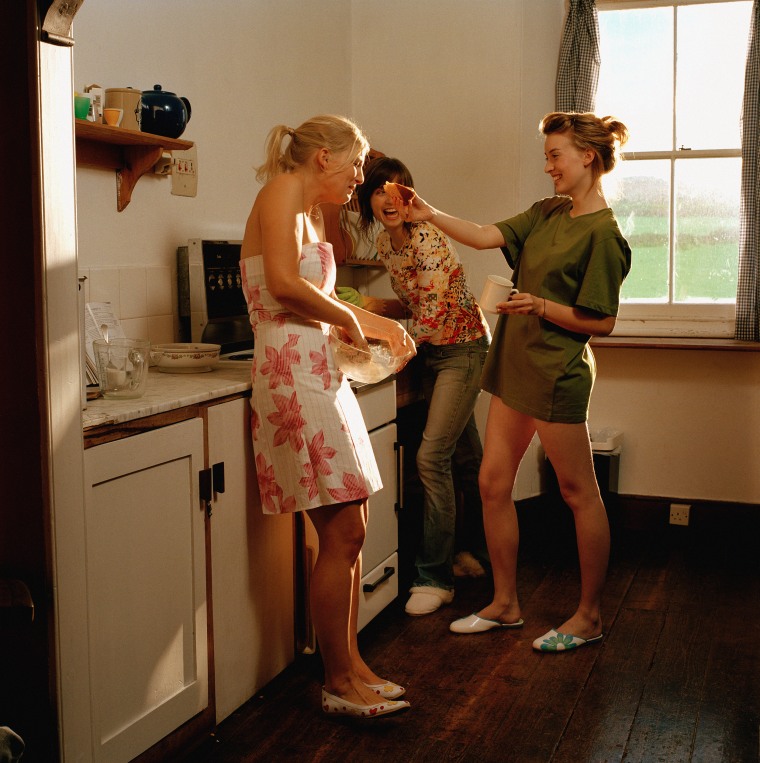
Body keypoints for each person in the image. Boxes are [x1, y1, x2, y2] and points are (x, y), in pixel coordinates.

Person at [402, 112, 631, 651]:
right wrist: (427, 213)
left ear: (587, 158)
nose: (548, 165)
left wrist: (541, 305)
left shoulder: (604, 234)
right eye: (547, 155)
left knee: (578, 494)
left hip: (556, 373)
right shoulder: (549, 212)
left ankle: (589, 616)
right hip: (514, 364)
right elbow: (485, 236)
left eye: (556, 155)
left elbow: (601, 321)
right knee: (492, 483)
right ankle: (505, 604)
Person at [239, 115, 415, 716]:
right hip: (290, 373)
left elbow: (314, 294)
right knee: (339, 531)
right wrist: (361, 321)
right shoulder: (282, 190)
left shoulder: (312, 212)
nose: (359, 177)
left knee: (353, 527)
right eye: (355, 164)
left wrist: (357, 325)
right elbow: (286, 286)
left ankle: (354, 665)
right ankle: (337, 684)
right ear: (322, 158)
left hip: (318, 372)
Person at [340, 157, 491, 617]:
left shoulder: (427, 240)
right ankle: (476, 552)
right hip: (434, 351)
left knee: (430, 457)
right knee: (466, 459)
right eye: (380, 190)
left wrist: (383, 347)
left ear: (412, 199)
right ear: (367, 200)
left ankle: (434, 577)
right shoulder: (387, 246)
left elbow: (432, 315)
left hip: (462, 349)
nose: (390, 198)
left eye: (400, 189)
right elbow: (412, 305)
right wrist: (365, 305)